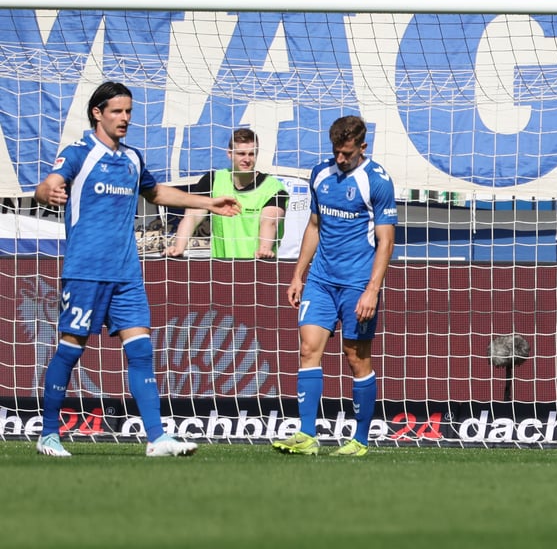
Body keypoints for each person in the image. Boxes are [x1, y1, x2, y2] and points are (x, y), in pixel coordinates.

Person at [33, 81, 240, 457]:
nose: (125, 118)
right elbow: (48, 185)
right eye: (117, 111)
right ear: (97, 113)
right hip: (86, 270)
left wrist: (208, 203)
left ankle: (157, 438)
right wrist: (49, 191)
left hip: (127, 271)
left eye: (128, 111)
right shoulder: (80, 152)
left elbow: (156, 193)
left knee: (141, 350)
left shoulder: (132, 158)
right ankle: (48, 434)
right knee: (71, 349)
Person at [271, 115, 397, 457]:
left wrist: (372, 290)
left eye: (347, 153)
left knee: (356, 358)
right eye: (336, 152)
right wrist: (299, 274)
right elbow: (314, 225)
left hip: (358, 283)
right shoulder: (320, 175)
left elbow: (386, 241)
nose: (340, 159)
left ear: (362, 147)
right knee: (308, 349)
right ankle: (307, 435)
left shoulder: (377, 182)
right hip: (322, 281)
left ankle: (359, 440)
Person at [164, 128, 288, 259]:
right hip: (222, 268)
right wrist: (179, 247)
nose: (247, 159)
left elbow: (269, 222)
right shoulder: (213, 180)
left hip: (259, 266)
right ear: (230, 154)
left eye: (251, 154)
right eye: (241, 153)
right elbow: (192, 216)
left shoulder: (273, 187)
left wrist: (264, 249)